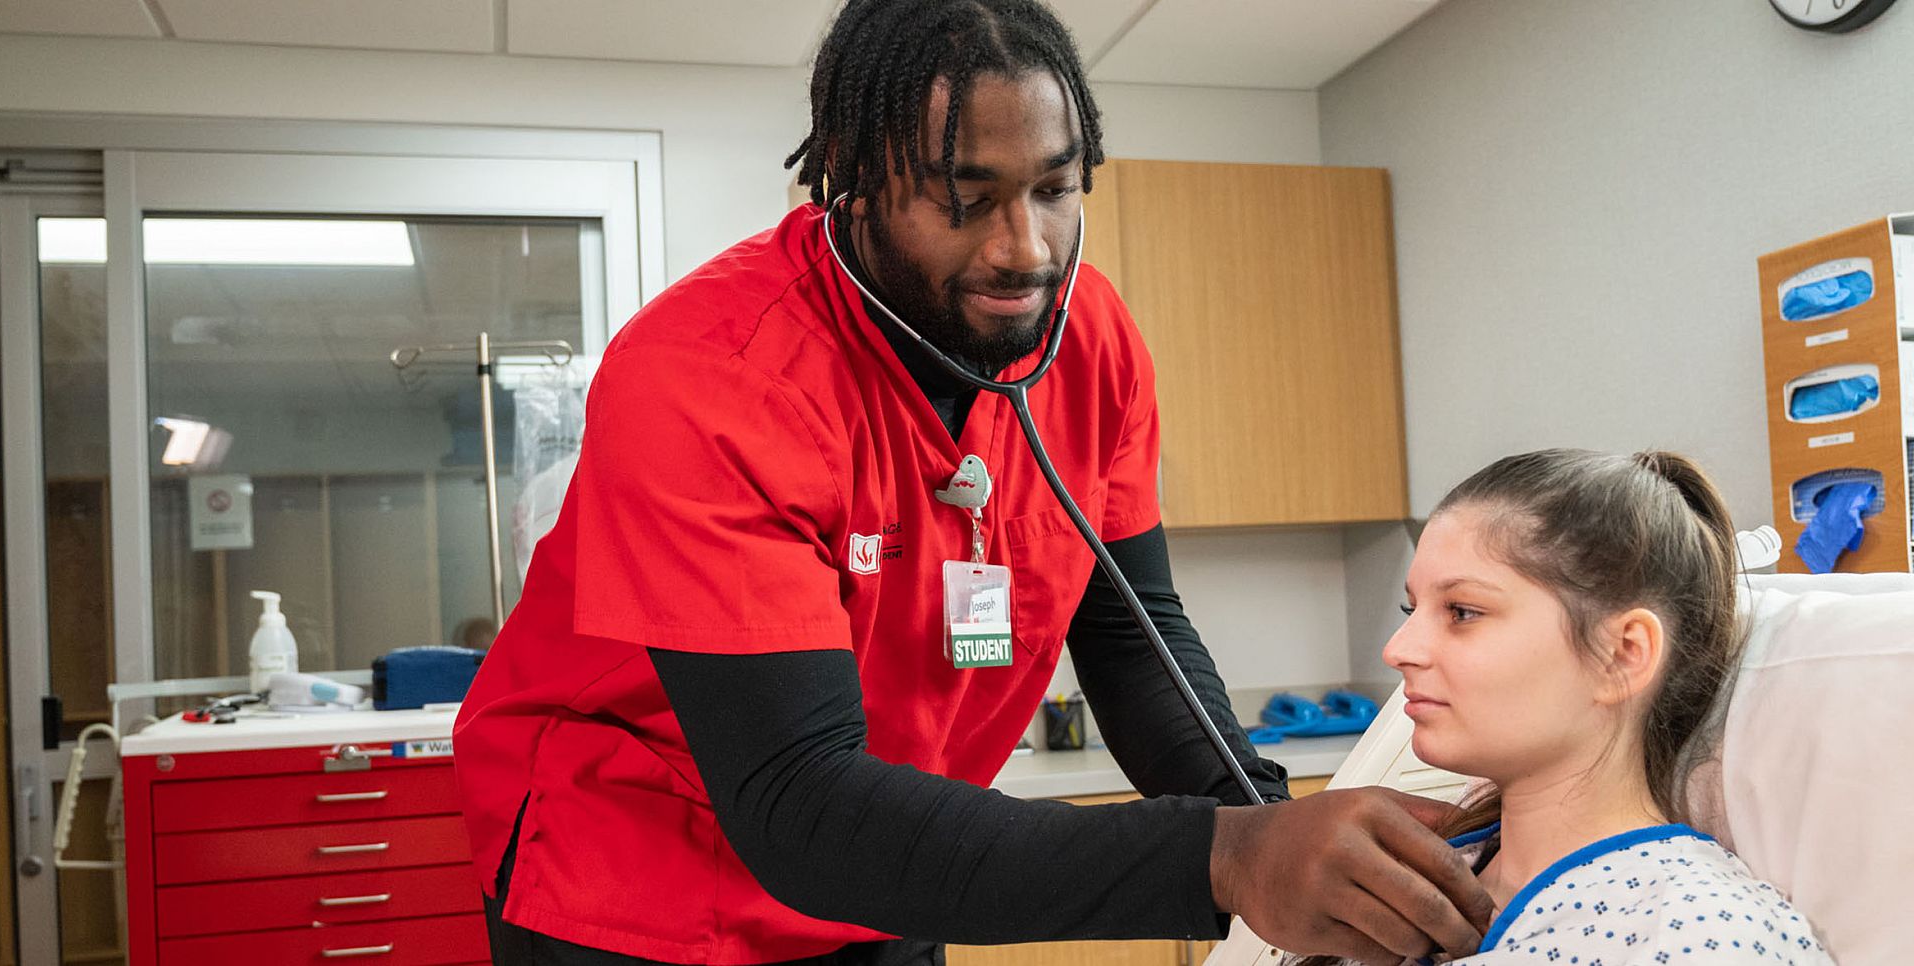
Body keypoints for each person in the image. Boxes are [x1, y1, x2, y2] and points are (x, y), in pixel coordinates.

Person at [452, 2, 1492, 964]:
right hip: (639, 876)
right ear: (851, 181)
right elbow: (794, 801)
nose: (1024, 250)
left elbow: (1132, 631)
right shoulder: (709, 376)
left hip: (893, 854)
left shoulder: (1087, 338)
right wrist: (1222, 859)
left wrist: (1264, 819)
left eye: (1053, 188)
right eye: (966, 199)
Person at [1343, 450, 1832, 964]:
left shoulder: (1695, 934)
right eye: (1411, 608)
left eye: (1462, 611)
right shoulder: (1407, 884)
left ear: (1621, 654)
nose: (1397, 650)